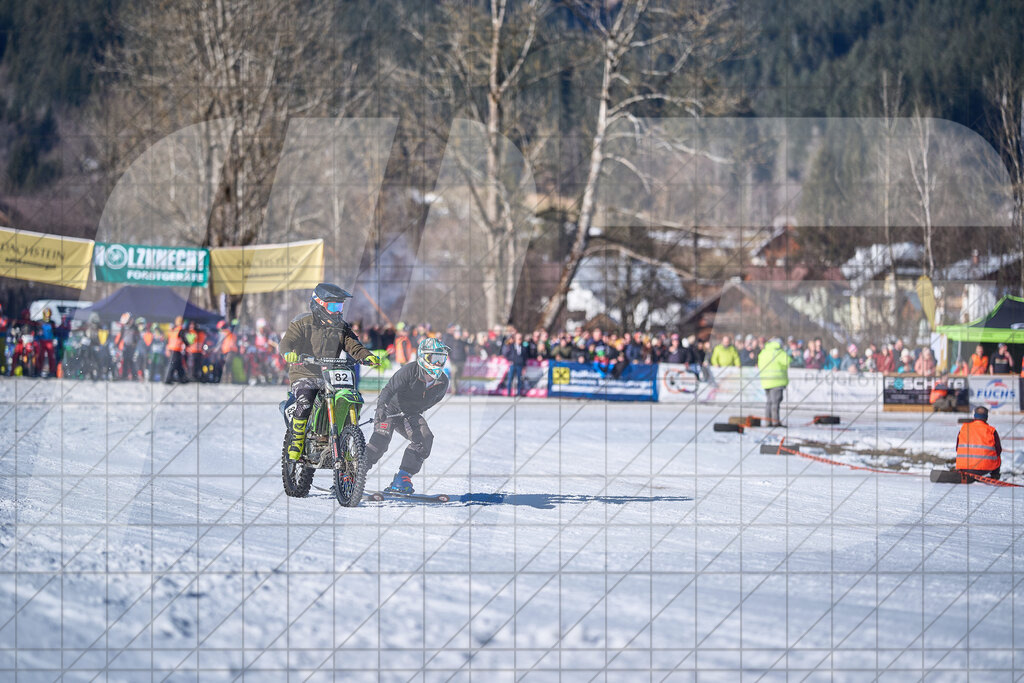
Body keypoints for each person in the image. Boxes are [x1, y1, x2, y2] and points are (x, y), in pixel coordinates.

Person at [279, 284, 378, 462]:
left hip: (331, 373)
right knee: (306, 398)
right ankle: (296, 442)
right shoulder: (302, 323)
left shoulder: (341, 327)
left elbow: (353, 345)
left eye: (339, 306)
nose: (337, 311)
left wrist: (367, 356)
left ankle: (343, 436)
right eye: (333, 306)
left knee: (348, 396)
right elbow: (287, 342)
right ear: (318, 304)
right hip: (305, 372)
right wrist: (289, 353)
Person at [365, 337, 450, 494]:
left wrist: (412, 414)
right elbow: (389, 389)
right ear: (424, 356)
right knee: (380, 442)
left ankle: (402, 478)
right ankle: (353, 474)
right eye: (435, 358)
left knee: (425, 438)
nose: (438, 363)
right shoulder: (409, 370)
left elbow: (430, 402)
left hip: (410, 414)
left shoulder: (443, 382)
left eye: (442, 359)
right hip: (390, 409)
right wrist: (381, 408)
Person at [955, 405, 1002, 480]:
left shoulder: (964, 428)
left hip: (964, 467)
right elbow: (998, 450)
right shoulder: (991, 430)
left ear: (974, 416)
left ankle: (961, 469)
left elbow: (957, 448)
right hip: (985, 468)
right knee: (998, 456)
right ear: (986, 417)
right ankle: (995, 475)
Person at [758, 336, 790, 428]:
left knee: (769, 402)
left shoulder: (764, 352)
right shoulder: (779, 352)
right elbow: (788, 361)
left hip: (766, 382)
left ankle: (768, 422)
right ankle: (775, 422)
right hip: (777, 381)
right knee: (775, 402)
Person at [163, 316, 188, 384]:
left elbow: (167, 340)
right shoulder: (180, 330)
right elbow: (185, 340)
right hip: (176, 350)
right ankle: (167, 379)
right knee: (173, 365)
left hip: (172, 350)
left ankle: (182, 378)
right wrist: (188, 344)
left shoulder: (172, 329)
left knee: (179, 365)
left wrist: (167, 349)